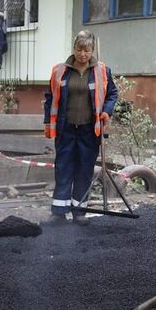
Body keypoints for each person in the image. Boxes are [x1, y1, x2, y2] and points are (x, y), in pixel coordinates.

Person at [43, 30, 119, 225]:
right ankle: (59, 211)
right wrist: (46, 122)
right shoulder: (60, 70)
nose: (82, 54)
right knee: (63, 167)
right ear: (74, 49)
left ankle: (79, 211)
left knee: (84, 169)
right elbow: (50, 97)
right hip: (66, 128)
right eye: (79, 49)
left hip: (89, 129)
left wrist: (107, 111)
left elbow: (112, 94)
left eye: (86, 50)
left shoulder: (102, 71)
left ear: (92, 50)